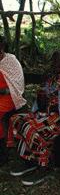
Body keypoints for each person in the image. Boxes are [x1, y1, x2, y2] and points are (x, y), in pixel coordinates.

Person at [7, 50, 60, 185]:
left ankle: (44, 165)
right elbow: (41, 97)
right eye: (54, 61)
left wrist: (47, 95)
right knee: (16, 119)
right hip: (44, 113)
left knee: (28, 126)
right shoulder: (50, 74)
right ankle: (29, 160)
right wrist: (44, 89)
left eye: (58, 62)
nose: (55, 64)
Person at [0, 35, 27, 166]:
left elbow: (16, 87)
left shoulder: (10, 61)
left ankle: (4, 153)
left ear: (2, 47)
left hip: (9, 98)